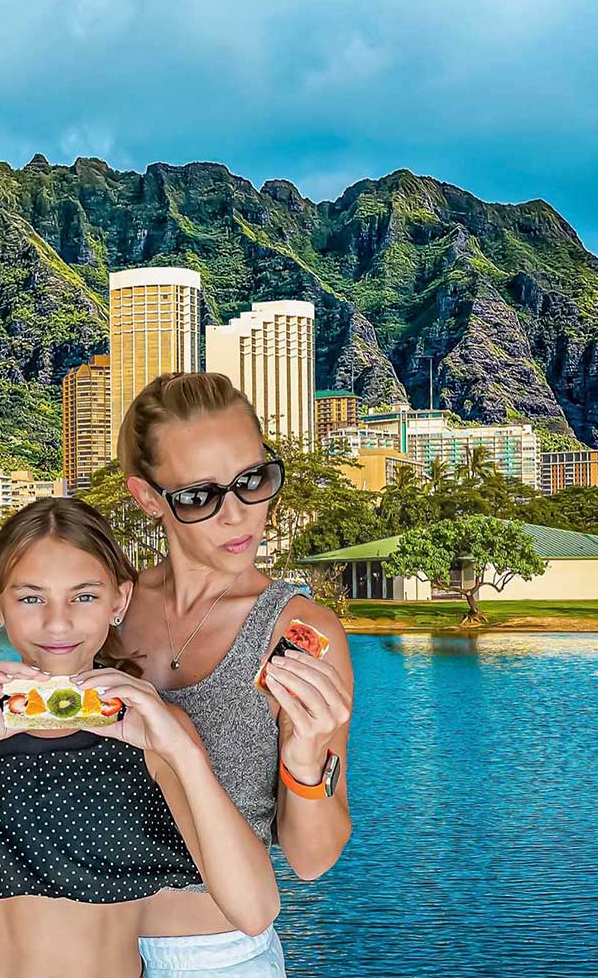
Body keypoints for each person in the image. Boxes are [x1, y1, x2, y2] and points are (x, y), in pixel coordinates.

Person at [0, 498, 280, 978]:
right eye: (31, 598)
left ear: (119, 601)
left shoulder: (155, 728)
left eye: (83, 596)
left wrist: (181, 751)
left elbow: (254, 911)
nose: (58, 622)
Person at [110, 372, 355, 977]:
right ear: (148, 499)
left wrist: (305, 761)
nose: (238, 515)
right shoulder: (102, 607)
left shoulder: (298, 630)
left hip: (215, 957)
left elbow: (312, 861)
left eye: (253, 481)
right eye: (199, 496)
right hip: (83, 945)